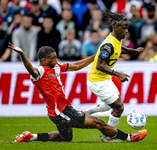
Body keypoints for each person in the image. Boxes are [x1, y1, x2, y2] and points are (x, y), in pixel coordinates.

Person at [9, 42, 147, 143]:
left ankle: (30, 136)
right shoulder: (39, 72)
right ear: (44, 60)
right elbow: (30, 69)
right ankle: (129, 138)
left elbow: (75, 66)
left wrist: (95, 55)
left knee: (66, 139)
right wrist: (22, 55)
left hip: (61, 110)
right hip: (60, 112)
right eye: (53, 58)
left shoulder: (56, 67)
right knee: (98, 123)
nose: (56, 59)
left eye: (56, 57)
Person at [84, 9, 144, 142]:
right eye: (124, 28)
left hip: (103, 79)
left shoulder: (116, 40)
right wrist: (118, 74)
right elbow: (100, 65)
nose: (126, 31)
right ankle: (108, 136)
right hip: (97, 81)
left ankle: (84, 114)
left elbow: (120, 49)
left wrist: (133, 51)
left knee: (111, 105)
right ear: (116, 27)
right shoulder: (108, 45)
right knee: (119, 107)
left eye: (127, 28)